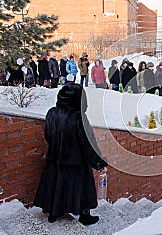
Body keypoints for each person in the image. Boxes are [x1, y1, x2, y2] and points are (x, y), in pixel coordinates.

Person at [33, 83, 108, 225]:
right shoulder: (79, 118)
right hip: (76, 162)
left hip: (55, 159)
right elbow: (88, 144)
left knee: (56, 183)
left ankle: (54, 212)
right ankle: (85, 216)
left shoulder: (52, 113)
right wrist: (99, 163)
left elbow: (48, 136)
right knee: (83, 186)